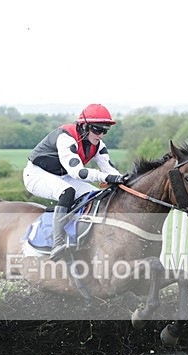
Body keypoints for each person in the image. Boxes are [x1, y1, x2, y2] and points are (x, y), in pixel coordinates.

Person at [23, 103, 127, 260]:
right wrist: (106, 178)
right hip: (37, 174)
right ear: (84, 126)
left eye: (104, 131)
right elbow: (77, 172)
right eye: (97, 130)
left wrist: (125, 180)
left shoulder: (98, 145)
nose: (100, 135)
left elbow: (110, 170)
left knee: (97, 195)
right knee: (67, 192)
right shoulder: (66, 138)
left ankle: (82, 235)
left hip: (63, 175)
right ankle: (57, 242)